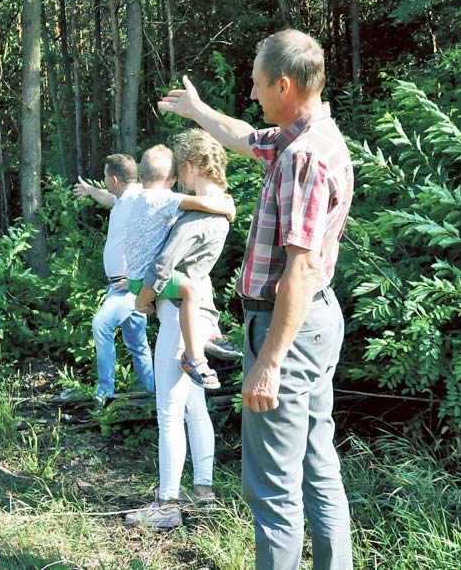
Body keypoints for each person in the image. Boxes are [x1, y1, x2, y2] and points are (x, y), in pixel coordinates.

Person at [159, 29, 354, 569]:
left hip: (286, 327)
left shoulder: (303, 158)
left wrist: (268, 364)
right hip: (313, 324)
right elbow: (245, 136)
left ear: (285, 84)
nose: (251, 91)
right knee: (317, 468)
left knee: (272, 490)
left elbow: (301, 269)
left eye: (257, 82)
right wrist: (198, 110)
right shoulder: (306, 138)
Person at [125, 130, 232, 528]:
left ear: (187, 167)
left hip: (176, 314)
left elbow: (162, 266)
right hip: (200, 309)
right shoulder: (219, 208)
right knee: (194, 408)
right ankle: (203, 494)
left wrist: (140, 301)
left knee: (168, 412)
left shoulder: (197, 215)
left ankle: (166, 505)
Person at [124, 144, 235, 389]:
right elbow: (204, 204)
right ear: (173, 180)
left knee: (198, 279)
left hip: (135, 275)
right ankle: (195, 358)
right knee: (191, 291)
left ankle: (213, 332)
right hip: (146, 278)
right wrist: (228, 206)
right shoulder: (165, 198)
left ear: (142, 178)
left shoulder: (141, 198)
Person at [72, 154, 155, 406]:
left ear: (115, 179)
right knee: (137, 343)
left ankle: (104, 393)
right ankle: (150, 395)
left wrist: (135, 279)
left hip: (128, 287)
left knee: (101, 324)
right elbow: (108, 198)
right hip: (119, 285)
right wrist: (89, 190)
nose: (105, 182)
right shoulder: (122, 199)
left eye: (106, 177)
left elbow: (157, 239)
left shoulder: (141, 199)